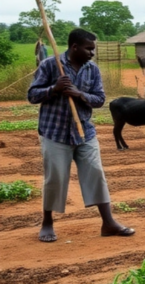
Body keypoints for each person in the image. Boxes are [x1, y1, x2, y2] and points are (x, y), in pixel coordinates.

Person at [27, 28, 134, 243]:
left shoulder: (92, 69)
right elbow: (32, 95)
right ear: (74, 47)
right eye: (89, 49)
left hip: (84, 132)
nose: (92, 53)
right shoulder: (50, 65)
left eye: (93, 49)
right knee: (55, 178)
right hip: (54, 132)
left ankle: (108, 223)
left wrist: (79, 94)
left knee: (96, 172)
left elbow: (99, 99)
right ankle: (47, 222)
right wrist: (54, 89)